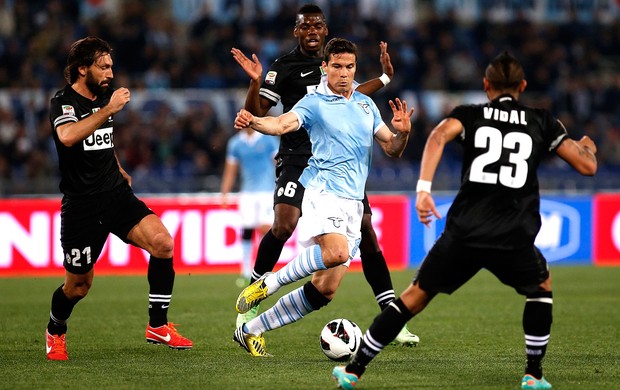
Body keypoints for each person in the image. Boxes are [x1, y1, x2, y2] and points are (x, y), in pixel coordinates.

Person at [332, 51, 598, 390]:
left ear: (486, 85)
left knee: (414, 297)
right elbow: (587, 167)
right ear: (523, 86)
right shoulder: (542, 120)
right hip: (513, 234)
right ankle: (533, 374)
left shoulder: (470, 115)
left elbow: (438, 136)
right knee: (541, 289)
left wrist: (423, 190)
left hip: (465, 230)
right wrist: (586, 146)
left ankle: (354, 370)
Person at [230, 3, 418, 346]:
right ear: (324, 68)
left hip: (350, 191)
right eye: (337, 67)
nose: (344, 73)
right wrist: (254, 119)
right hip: (309, 169)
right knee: (315, 240)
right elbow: (277, 120)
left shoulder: (363, 104)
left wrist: (402, 131)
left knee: (326, 287)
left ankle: (251, 331)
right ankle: (262, 285)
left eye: (349, 68)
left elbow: (391, 146)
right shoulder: (308, 95)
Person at [45, 36, 192, 361]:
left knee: (163, 244)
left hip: (115, 195)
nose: (111, 72)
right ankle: (56, 329)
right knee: (78, 286)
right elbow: (68, 136)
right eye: (103, 66)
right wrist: (109, 109)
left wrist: (119, 167)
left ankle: (157, 325)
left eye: (111, 66)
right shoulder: (63, 102)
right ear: (82, 69)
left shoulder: (104, 98)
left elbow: (103, 141)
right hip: (82, 205)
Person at [220, 126, 279, 288]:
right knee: (247, 230)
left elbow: (279, 162)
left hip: (267, 191)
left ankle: (260, 270)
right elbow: (230, 169)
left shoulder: (268, 138)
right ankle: (245, 272)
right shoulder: (235, 143)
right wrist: (224, 192)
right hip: (247, 193)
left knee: (265, 229)